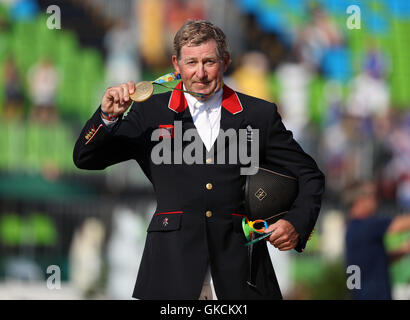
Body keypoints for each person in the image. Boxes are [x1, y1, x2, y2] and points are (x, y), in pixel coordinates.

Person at [73, 20, 325, 300]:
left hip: (241, 272)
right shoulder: (149, 114)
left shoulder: (259, 115)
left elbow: (309, 175)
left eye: (209, 62)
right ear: (176, 64)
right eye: (191, 62)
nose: (201, 73)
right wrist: (107, 117)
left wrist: (296, 223)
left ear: (225, 61)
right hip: (170, 269)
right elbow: (86, 158)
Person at [344, 180, 410, 300]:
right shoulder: (367, 225)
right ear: (360, 200)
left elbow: (375, 260)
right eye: (373, 195)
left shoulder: (352, 229)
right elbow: (401, 225)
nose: (376, 200)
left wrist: (404, 250)